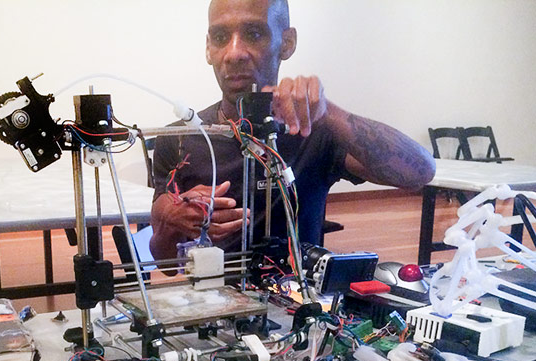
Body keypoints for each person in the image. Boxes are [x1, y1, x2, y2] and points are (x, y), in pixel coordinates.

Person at [149, 0, 436, 261]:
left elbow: (420, 172)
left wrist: (327, 113)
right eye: (221, 38)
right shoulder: (178, 140)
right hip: (210, 306)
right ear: (209, 48)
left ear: (287, 43)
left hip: (296, 306)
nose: (234, 53)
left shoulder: (313, 131)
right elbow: (166, 263)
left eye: (254, 33)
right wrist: (174, 222)